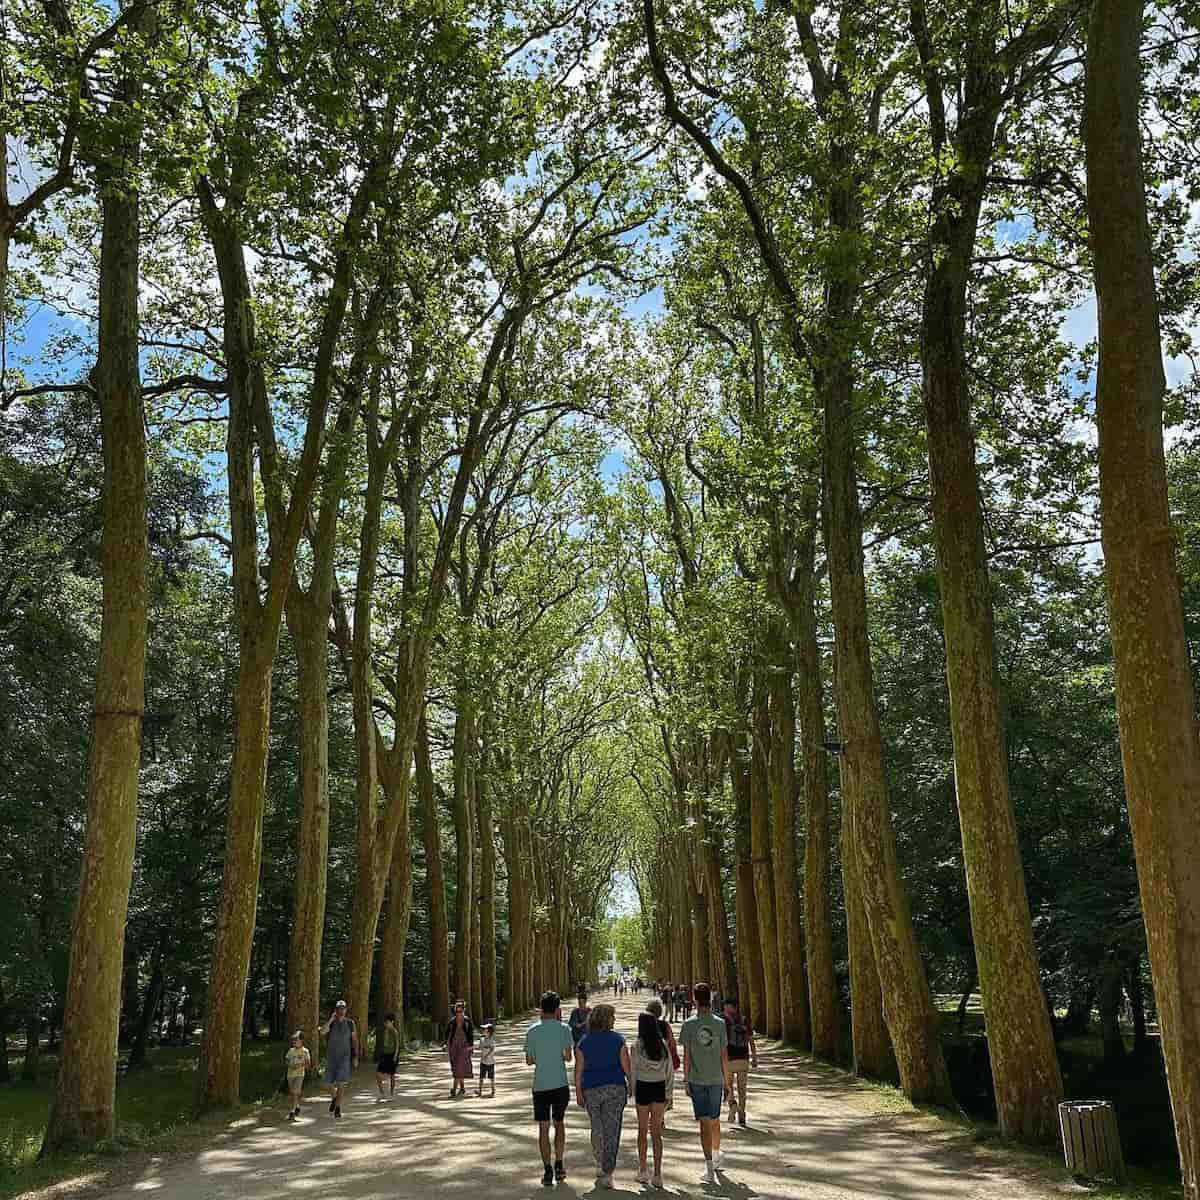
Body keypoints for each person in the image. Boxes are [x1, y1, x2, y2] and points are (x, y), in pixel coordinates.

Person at [575, 1002, 632, 1191]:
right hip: (615, 1088)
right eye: (613, 1017)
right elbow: (626, 1067)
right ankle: (608, 1172)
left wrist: (578, 1091)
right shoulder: (618, 1040)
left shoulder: (584, 1041)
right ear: (608, 1019)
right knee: (612, 1131)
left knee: (597, 1128)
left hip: (591, 1089)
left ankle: (599, 1161)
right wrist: (631, 1084)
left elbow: (579, 1069)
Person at [679, 982, 731, 1183]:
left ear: (693, 998)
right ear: (710, 998)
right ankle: (716, 1154)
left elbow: (687, 1056)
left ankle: (709, 1167)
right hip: (717, 1079)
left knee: (704, 1123)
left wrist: (685, 1080)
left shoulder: (689, 1025)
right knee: (714, 1120)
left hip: (697, 1080)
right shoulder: (719, 1024)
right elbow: (724, 1056)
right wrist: (728, 1083)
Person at [524, 990, 575, 1187]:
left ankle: (547, 1170)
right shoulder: (564, 1029)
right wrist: (558, 1057)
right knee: (559, 1124)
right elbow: (569, 1057)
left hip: (541, 1085)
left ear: (540, 1008)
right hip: (560, 1084)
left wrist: (541, 1058)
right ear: (557, 1009)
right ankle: (560, 1164)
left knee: (543, 1128)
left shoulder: (532, 1031)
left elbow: (529, 1061)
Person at [630, 1011, 673, 1187]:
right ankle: (657, 1174)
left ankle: (642, 1170)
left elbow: (633, 1071)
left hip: (643, 1088)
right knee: (656, 1133)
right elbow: (669, 1071)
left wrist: (632, 1091)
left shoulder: (636, 1046)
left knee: (642, 1131)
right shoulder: (663, 1045)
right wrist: (669, 1094)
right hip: (659, 1088)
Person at [722, 998, 759, 1126]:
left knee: (728, 1086)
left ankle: (732, 1104)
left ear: (730, 1007)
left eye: (726, 1007)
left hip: (729, 1060)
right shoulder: (744, 1020)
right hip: (743, 1059)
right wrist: (754, 1057)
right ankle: (742, 1114)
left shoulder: (723, 1021)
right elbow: (751, 1040)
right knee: (742, 1089)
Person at [322, 1000, 358, 1119]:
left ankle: (337, 1108)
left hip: (345, 1057)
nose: (341, 1011)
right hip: (331, 1057)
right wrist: (331, 1019)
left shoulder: (350, 1023)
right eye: (339, 1009)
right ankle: (334, 1098)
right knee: (327, 1084)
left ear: (346, 1010)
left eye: (343, 1008)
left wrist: (355, 1056)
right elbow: (322, 1032)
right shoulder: (331, 1023)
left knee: (341, 1084)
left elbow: (354, 1040)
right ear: (335, 1010)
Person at [445, 999, 475, 1098]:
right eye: (457, 1012)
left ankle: (454, 1089)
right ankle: (462, 1088)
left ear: (464, 1010)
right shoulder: (452, 1021)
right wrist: (446, 1044)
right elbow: (447, 1034)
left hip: (464, 1046)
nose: (459, 1013)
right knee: (456, 1067)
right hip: (453, 1046)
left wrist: (471, 1046)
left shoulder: (467, 1021)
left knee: (459, 1066)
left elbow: (471, 1034)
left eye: (460, 1011)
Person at [285, 1030, 311, 1121]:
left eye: (296, 1040)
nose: (294, 1042)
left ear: (301, 1041)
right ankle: (297, 1106)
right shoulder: (291, 1051)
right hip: (290, 1075)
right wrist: (290, 1065)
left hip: (299, 1075)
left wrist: (301, 1065)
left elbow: (308, 1065)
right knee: (293, 1093)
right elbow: (287, 1060)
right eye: (293, 1040)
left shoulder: (305, 1051)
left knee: (296, 1092)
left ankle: (292, 1111)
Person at [376, 1012, 400, 1099]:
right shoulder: (384, 1031)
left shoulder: (394, 1032)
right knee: (378, 1074)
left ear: (392, 1022)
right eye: (385, 1022)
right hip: (384, 1055)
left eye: (388, 1022)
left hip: (392, 1055)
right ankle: (382, 1093)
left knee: (392, 1075)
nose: (386, 1024)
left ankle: (392, 1093)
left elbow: (397, 1045)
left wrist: (395, 1057)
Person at [478, 1022, 497, 1097]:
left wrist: (486, 1055)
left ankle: (493, 1090)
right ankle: (480, 1091)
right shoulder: (482, 1039)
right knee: (481, 1077)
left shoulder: (492, 1040)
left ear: (489, 1032)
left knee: (491, 1077)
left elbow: (492, 1049)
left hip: (491, 1062)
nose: (483, 1031)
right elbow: (479, 1047)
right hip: (483, 1062)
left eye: (485, 1030)